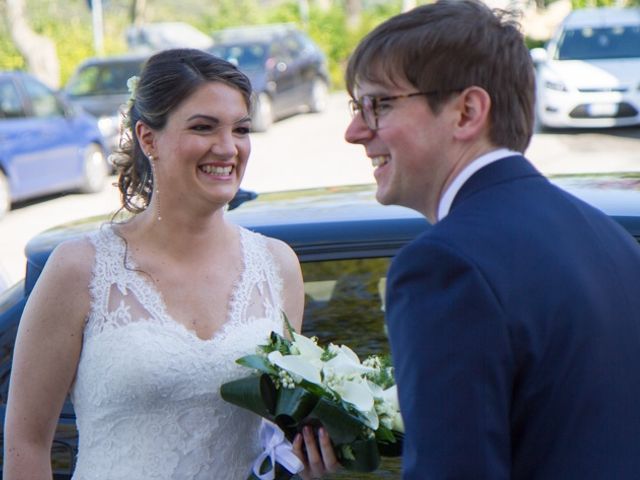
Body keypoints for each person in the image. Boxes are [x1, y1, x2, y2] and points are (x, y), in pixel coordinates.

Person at [4, 48, 337, 479]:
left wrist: (309, 462)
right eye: (203, 127)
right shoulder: (80, 268)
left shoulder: (277, 267)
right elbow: (26, 444)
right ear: (148, 138)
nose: (227, 147)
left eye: (240, 129)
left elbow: (274, 441)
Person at [344, 1, 640, 479]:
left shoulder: (445, 265)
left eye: (378, 104)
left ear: (467, 111)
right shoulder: (609, 236)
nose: (354, 131)